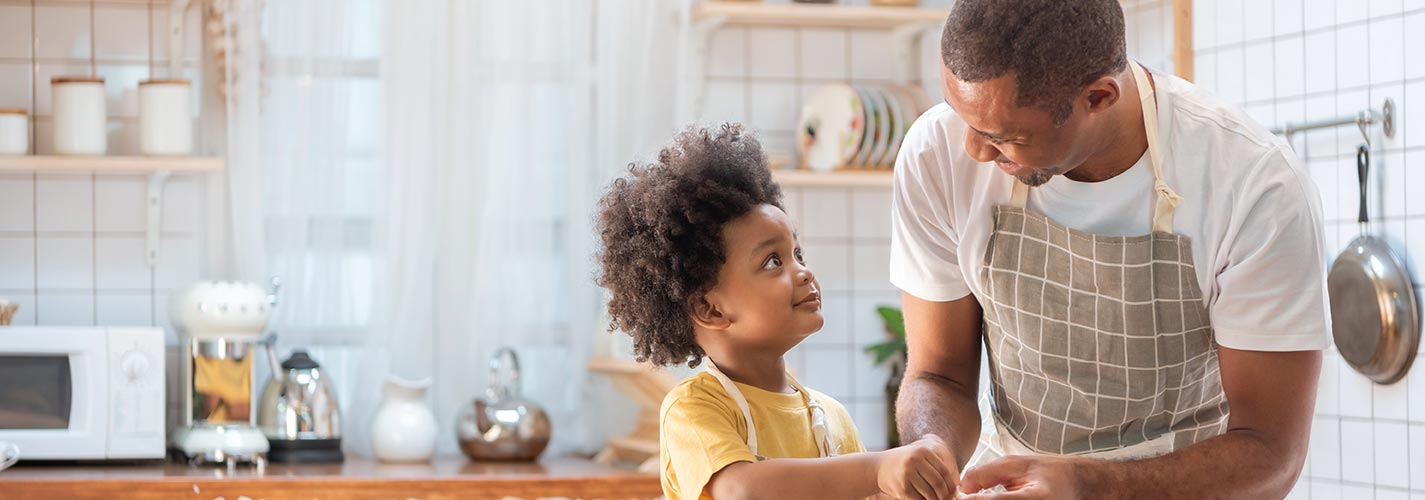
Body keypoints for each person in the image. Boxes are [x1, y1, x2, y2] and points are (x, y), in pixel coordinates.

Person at [889, 1, 1329, 498]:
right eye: (961, 116)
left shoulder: (1254, 186)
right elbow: (940, 373)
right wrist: (932, 449)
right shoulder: (935, 154)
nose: (974, 150)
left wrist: (1087, 485)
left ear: (1098, 97)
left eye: (1006, 137)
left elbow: (1270, 451)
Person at [597, 124, 959, 500]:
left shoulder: (832, 418)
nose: (804, 271)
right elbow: (741, 490)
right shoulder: (695, 408)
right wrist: (877, 469)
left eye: (797, 254)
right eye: (773, 261)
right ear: (710, 308)